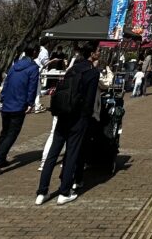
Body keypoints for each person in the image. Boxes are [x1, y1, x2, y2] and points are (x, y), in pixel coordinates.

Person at [36, 43, 99, 205]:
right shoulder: (92, 72)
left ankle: (42, 192)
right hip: (78, 118)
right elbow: (90, 100)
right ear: (92, 54)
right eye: (98, 51)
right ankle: (64, 192)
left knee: (53, 154)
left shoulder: (72, 69)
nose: (99, 53)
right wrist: (87, 117)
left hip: (63, 114)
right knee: (71, 153)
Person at [0, 45, 40, 175]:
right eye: (37, 51)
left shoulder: (14, 66)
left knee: (5, 132)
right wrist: (30, 103)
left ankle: (1, 157)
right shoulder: (33, 68)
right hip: (19, 104)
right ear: (34, 52)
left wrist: (2, 98)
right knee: (12, 133)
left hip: (7, 103)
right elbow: (32, 86)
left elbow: (6, 82)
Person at [32, 38, 52, 113]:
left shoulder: (37, 49)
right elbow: (45, 63)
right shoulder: (44, 51)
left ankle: (33, 104)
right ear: (47, 43)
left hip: (30, 70)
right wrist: (52, 61)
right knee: (37, 90)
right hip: (36, 71)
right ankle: (37, 106)